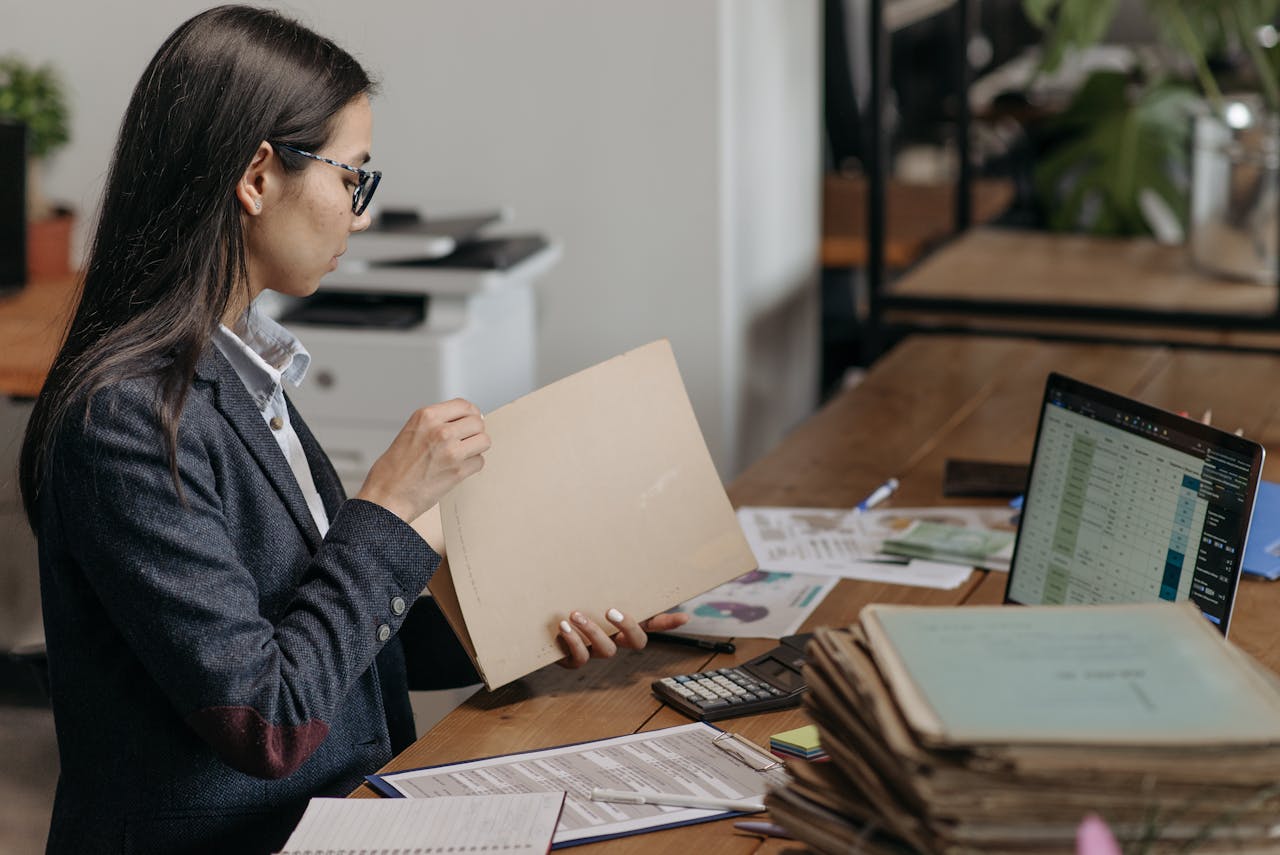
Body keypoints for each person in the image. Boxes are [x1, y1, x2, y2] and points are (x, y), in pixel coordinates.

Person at [18, 7, 686, 854]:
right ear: (258, 177)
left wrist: (542, 620)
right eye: (352, 178)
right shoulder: (123, 417)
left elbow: (329, 639)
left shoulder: (236, 369)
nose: (360, 216)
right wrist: (387, 505)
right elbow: (267, 717)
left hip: (344, 817)